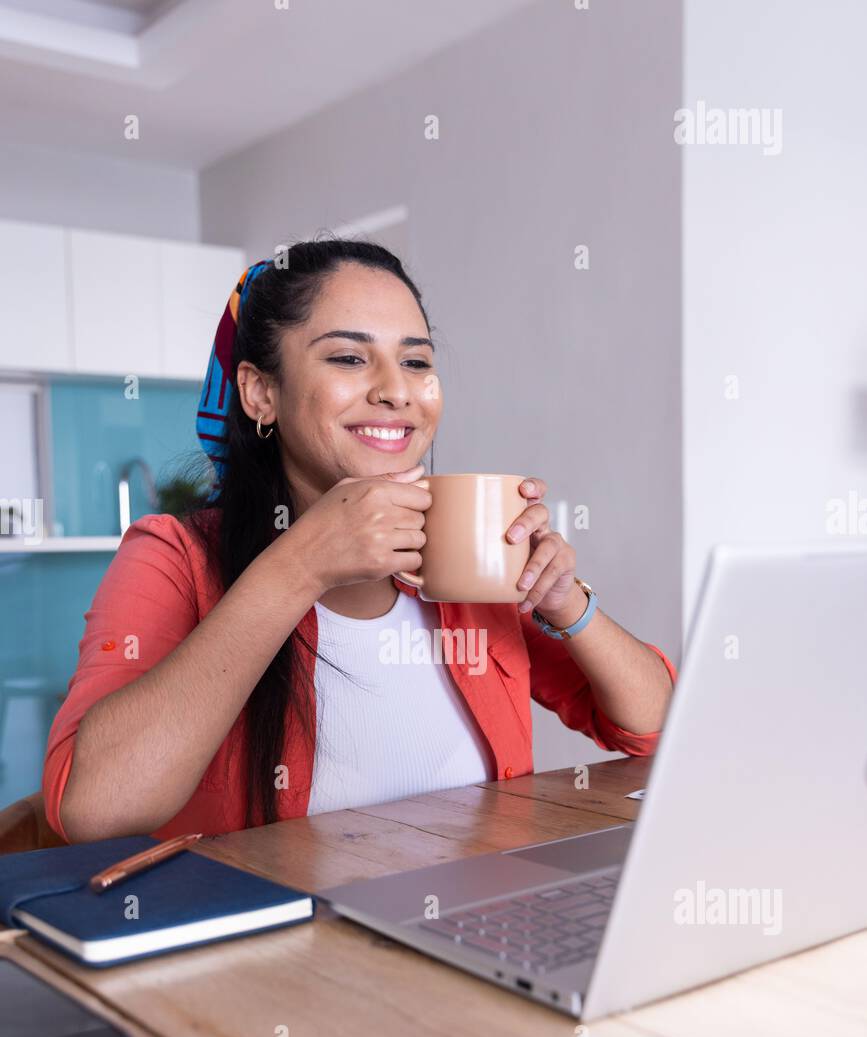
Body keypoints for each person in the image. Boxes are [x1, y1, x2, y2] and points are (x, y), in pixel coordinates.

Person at [43, 239, 676, 843]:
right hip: (284, 947)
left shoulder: (457, 553)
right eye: (349, 357)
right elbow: (95, 810)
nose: (395, 390)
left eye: (416, 361)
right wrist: (300, 566)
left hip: (473, 928)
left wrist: (566, 602)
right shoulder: (175, 556)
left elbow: (654, 728)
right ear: (261, 393)